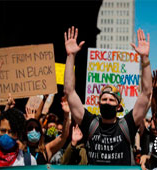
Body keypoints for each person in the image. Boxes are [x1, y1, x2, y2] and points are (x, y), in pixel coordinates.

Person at [64, 26, 152, 165]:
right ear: (98, 104)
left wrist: (145, 59)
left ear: (118, 107)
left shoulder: (127, 125)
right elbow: (69, 91)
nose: (107, 102)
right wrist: (70, 57)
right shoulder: (90, 123)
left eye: (112, 100)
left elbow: (146, 93)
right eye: (104, 99)